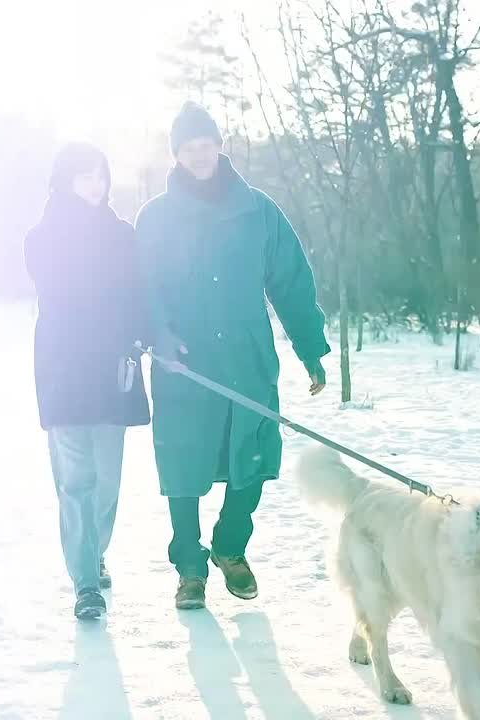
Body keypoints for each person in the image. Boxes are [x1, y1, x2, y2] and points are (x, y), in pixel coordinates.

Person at [135, 102, 331, 610]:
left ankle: (229, 545)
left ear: (219, 145)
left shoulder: (257, 210)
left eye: (206, 144)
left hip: (247, 358)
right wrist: (158, 334)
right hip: (186, 363)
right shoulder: (155, 218)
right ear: (176, 154)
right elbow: (142, 287)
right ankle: (189, 568)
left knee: (255, 457)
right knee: (184, 463)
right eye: (188, 147)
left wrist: (311, 348)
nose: (199, 155)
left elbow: (290, 281)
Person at [24, 143, 151, 620]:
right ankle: (85, 582)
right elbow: (65, 291)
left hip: (113, 370)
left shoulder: (123, 235)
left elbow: (138, 292)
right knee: (75, 480)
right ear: (63, 181)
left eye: (100, 176)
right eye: (84, 177)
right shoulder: (42, 239)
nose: (95, 186)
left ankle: (94, 550)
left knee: (107, 480)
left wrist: (139, 337)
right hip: (64, 370)